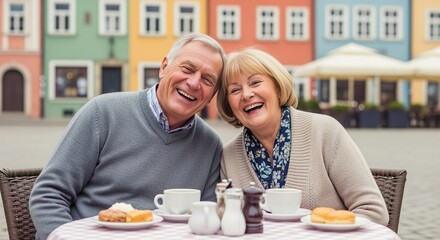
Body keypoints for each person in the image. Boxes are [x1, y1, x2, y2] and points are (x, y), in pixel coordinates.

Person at [29, 33, 226, 239]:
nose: (194, 83)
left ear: (212, 95)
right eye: (187, 69)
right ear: (164, 68)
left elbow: (206, 222)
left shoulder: (210, 145)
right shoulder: (102, 113)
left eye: (207, 79)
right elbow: (48, 196)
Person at [216, 48, 389, 226]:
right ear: (229, 105)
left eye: (255, 83)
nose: (246, 94)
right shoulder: (228, 156)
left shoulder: (325, 131)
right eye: (235, 90)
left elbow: (373, 212)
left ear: (278, 89)